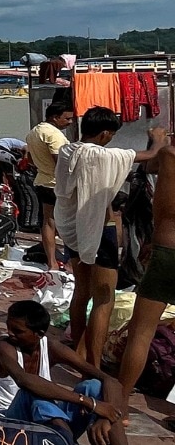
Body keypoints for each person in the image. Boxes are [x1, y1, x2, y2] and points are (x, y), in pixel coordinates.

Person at [55, 108, 165, 369]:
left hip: (72, 229)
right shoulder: (104, 156)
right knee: (105, 298)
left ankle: (79, 353)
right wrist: (159, 138)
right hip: (97, 230)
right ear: (105, 133)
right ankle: (92, 366)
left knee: (81, 292)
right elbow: (149, 156)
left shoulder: (68, 151)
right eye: (112, 135)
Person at [0, 300, 125, 445]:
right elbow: (24, 381)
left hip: (47, 420)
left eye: (18, 331)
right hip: (11, 425)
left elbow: (111, 381)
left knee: (94, 386)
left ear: (39, 334)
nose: (10, 333)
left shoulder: (51, 347)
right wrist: (90, 403)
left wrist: (106, 416)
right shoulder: (2, 346)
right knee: (33, 393)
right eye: (8, 327)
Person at [117, 144, 175, 411]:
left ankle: (121, 404)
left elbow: (160, 206)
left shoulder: (169, 155)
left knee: (141, 333)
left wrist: (158, 140)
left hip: (167, 248)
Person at [26, 102, 75, 270]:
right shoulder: (54, 135)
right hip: (58, 185)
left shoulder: (34, 132)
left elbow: (30, 160)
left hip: (42, 181)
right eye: (67, 118)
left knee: (48, 222)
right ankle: (70, 262)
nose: (70, 122)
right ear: (55, 117)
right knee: (69, 223)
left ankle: (52, 262)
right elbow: (61, 162)